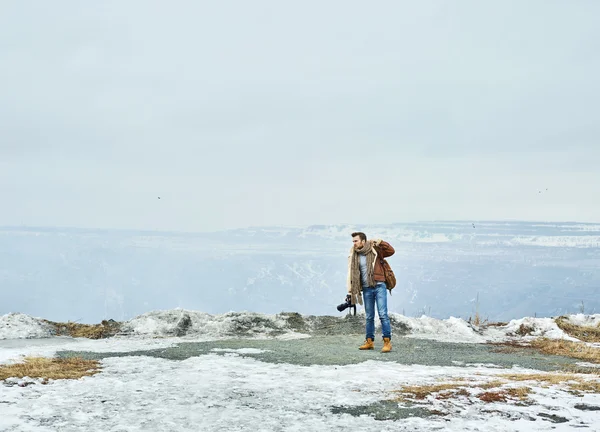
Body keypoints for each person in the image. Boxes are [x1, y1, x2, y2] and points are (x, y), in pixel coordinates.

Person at [346, 232, 395, 352]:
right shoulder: (354, 254)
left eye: (356, 241)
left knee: (383, 314)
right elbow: (351, 274)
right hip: (366, 288)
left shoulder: (375, 249)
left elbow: (391, 251)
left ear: (363, 241)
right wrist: (350, 291)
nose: (354, 243)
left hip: (379, 285)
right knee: (369, 316)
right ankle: (369, 341)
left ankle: (387, 342)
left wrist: (380, 242)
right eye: (353, 241)